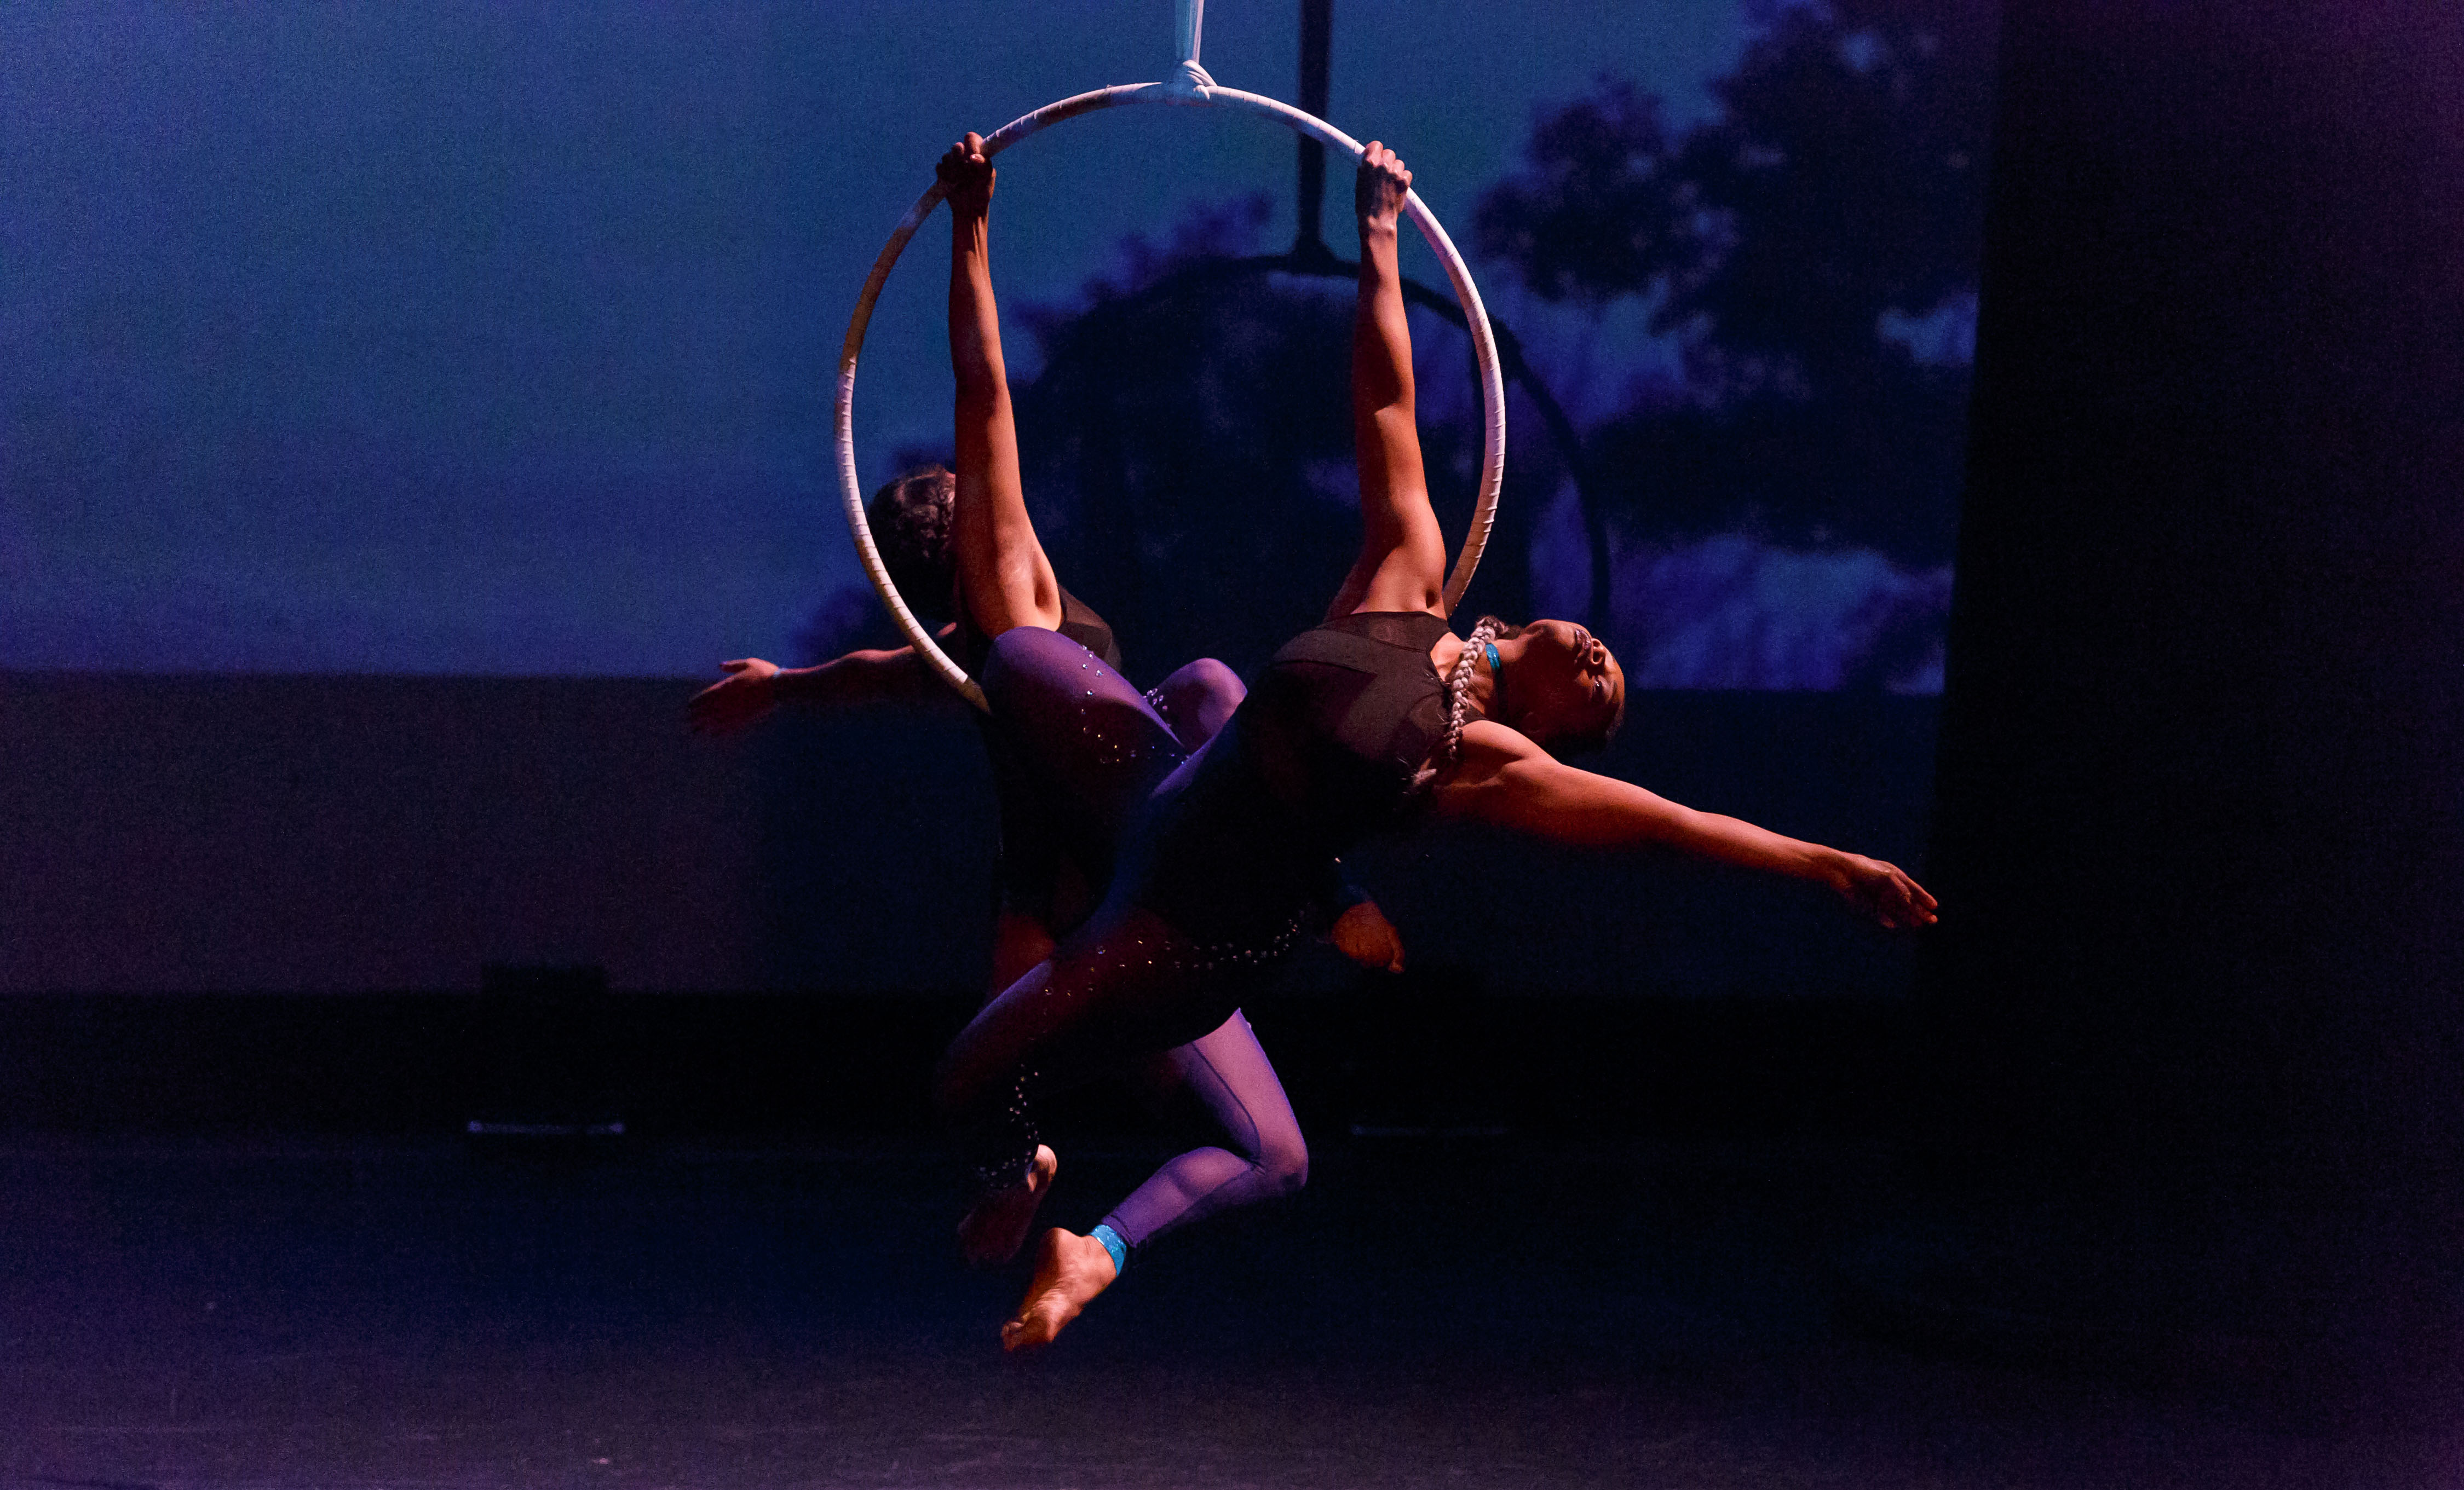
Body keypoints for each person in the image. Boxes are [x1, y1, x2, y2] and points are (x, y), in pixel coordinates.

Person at [932, 140, 1939, 1352]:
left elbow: (1676, 827)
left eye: (1603, 706)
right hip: (1158, 815)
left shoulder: (1481, 768)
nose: (1609, 672)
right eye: (1606, 659)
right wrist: (1377, 237)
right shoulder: (1403, 584)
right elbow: (1389, 406)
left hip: (1188, 937)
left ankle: (1083, 1235)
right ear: (1537, 625)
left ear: (1555, 728)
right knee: (1049, 658)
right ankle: (1031, 1102)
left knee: (974, 1070)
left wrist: (1827, 864)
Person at [692, 132, 1404, 1270]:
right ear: (975, 530)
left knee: (1057, 1083)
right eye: (988, 505)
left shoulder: (979, 658)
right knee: (1211, 687)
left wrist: (789, 685)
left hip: (1074, 898)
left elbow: (893, 670)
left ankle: (1039, 1192)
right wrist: (971, 226)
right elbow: (985, 396)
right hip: (1150, 874)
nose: (1009, 507)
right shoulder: (1019, 605)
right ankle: (1327, 889)